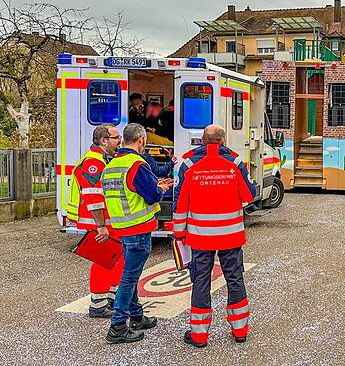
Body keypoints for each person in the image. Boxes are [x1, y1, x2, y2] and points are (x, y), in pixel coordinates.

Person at [174, 124, 254, 348]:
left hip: (200, 237)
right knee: (235, 279)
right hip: (230, 236)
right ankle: (240, 330)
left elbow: (180, 203)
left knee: (201, 282)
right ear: (222, 141)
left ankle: (199, 336)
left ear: (201, 141)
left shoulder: (189, 164)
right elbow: (249, 195)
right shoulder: (235, 163)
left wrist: (179, 233)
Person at [101, 123, 174, 344]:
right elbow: (151, 196)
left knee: (129, 274)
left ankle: (137, 316)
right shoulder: (136, 164)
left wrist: (154, 185)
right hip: (139, 228)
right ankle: (117, 326)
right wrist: (161, 188)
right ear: (141, 140)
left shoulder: (113, 165)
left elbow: (128, 191)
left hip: (122, 227)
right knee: (129, 278)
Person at [64, 123, 123, 318]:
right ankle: (98, 305)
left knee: (116, 260)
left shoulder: (103, 160)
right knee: (104, 261)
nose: (119, 141)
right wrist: (101, 227)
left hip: (107, 221)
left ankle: (113, 299)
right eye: (116, 138)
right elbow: (94, 199)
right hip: (98, 222)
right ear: (103, 140)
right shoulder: (93, 163)